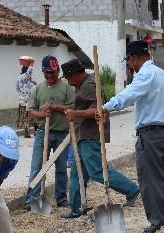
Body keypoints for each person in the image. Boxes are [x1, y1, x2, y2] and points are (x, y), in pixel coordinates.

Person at [103, 40, 164, 233]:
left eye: (130, 62)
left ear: (134, 58)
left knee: (150, 180)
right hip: (163, 132)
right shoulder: (162, 75)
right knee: (160, 179)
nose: (130, 66)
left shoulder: (145, 74)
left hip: (150, 135)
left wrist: (106, 107)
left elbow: (129, 95)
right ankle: (163, 221)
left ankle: (157, 222)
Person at [59, 59, 140, 219]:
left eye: (68, 77)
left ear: (76, 74)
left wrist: (75, 114)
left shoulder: (89, 86)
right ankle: (76, 208)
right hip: (81, 134)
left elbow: (98, 111)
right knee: (77, 173)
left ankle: (131, 189)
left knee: (96, 170)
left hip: (90, 134)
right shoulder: (82, 86)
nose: (68, 82)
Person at [24, 55, 75, 210]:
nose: (50, 76)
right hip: (42, 133)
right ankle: (31, 200)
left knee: (61, 169)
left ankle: (61, 198)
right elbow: (30, 111)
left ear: (58, 70)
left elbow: (71, 108)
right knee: (37, 167)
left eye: (53, 72)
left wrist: (54, 107)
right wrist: (42, 114)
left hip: (62, 134)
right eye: (47, 73)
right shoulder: (37, 89)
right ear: (43, 72)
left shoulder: (67, 88)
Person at [16, 56, 36, 138]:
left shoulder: (22, 78)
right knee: (30, 118)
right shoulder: (24, 76)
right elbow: (29, 73)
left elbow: (17, 88)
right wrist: (31, 64)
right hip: (27, 102)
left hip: (24, 101)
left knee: (27, 118)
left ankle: (29, 132)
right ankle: (28, 132)